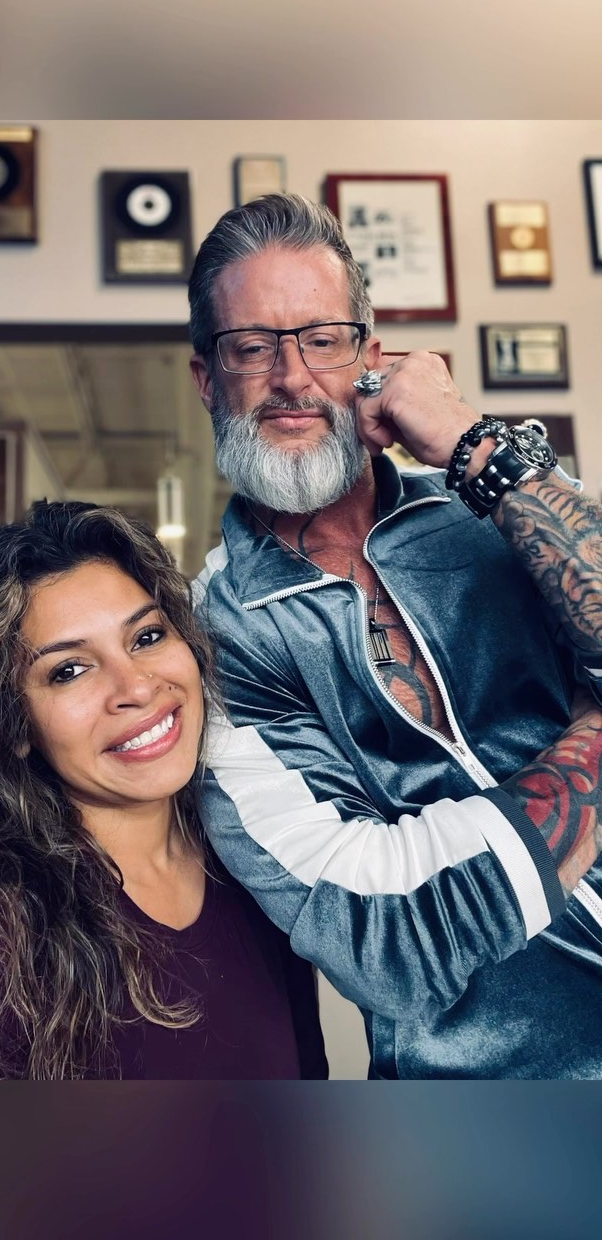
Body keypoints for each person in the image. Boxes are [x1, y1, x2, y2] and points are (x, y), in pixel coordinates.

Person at [188, 192, 602, 1079]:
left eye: (324, 338)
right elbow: (380, 937)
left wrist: (472, 444)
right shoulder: (211, 640)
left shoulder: (495, 499)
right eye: (252, 347)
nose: (293, 377)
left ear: (372, 361)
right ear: (208, 380)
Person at [0, 500, 327, 1080]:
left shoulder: (260, 863)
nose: (136, 688)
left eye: (146, 636)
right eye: (69, 670)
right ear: (13, 724)